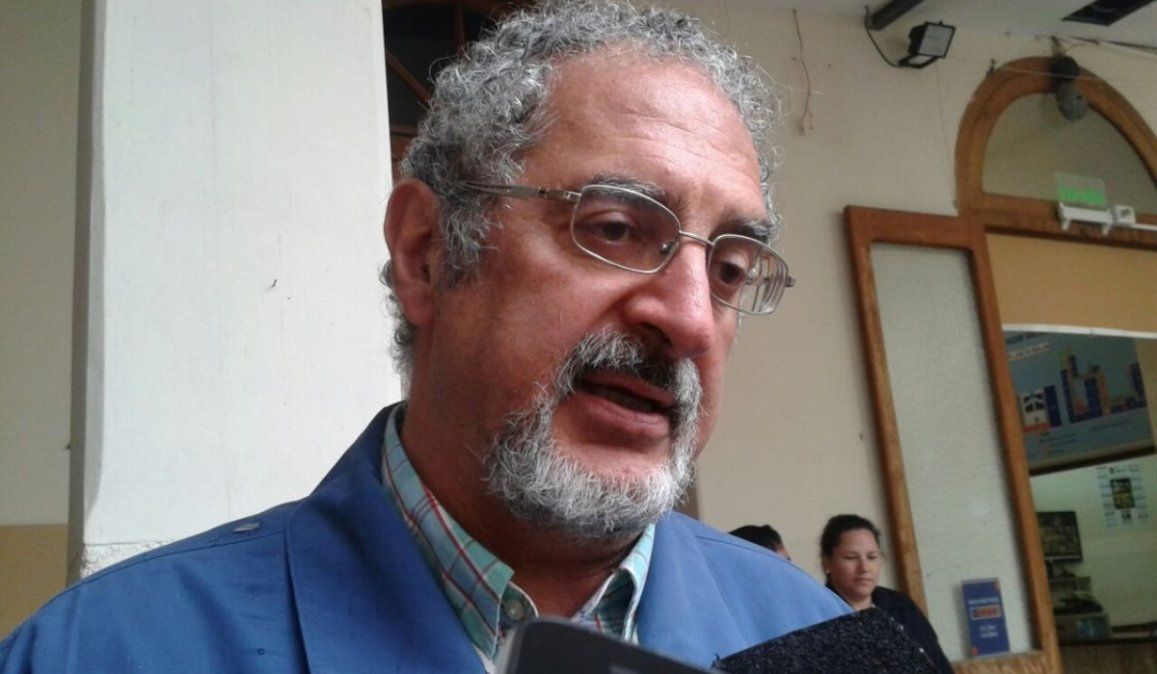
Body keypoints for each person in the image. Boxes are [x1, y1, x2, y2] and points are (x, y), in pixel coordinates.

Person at [1, 1, 852, 671]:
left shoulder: (819, 643)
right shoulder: (103, 653)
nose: (690, 317)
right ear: (427, 252)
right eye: (616, 228)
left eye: (729, 268)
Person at [820, 514, 954, 674]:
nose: (864, 568)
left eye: (872, 557)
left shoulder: (901, 606)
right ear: (827, 562)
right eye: (851, 558)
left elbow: (939, 666)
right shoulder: (816, 615)